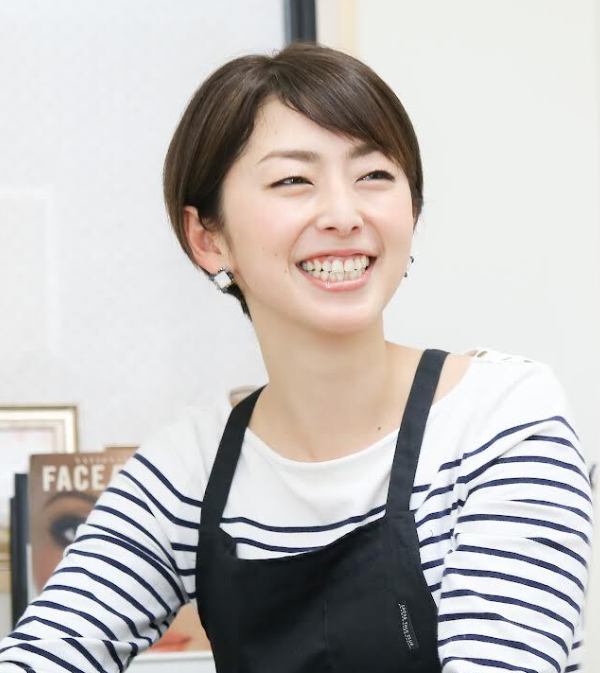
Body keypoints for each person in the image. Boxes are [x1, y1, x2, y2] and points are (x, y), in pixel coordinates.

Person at [0, 41, 594, 673]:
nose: (343, 214)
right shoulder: (192, 466)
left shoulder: (500, 418)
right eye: (293, 181)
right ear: (207, 238)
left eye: (374, 176)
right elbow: (46, 653)